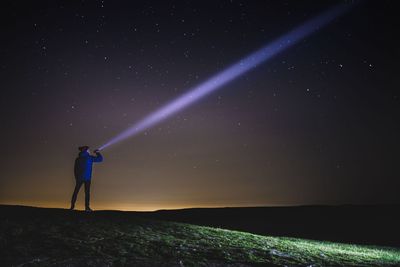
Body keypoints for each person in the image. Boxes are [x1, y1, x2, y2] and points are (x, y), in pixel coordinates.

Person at [70, 146, 103, 212]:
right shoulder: (89, 158)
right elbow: (100, 159)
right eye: (88, 150)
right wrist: (97, 152)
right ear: (86, 150)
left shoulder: (78, 159)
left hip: (79, 178)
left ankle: (72, 206)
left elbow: (75, 169)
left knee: (76, 192)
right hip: (87, 178)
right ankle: (87, 207)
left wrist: (76, 177)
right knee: (87, 193)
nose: (89, 151)